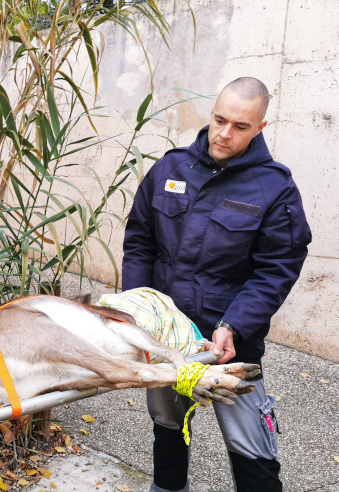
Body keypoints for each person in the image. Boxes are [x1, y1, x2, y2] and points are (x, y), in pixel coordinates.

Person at [122, 77, 311, 492]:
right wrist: (136, 312)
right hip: (167, 337)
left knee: (252, 447)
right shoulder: (169, 168)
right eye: (219, 119)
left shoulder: (274, 188)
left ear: (260, 127)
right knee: (168, 422)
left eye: (240, 126)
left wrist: (234, 326)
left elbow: (277, 267)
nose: (224, 134)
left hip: (228, 342)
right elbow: (140, 242)